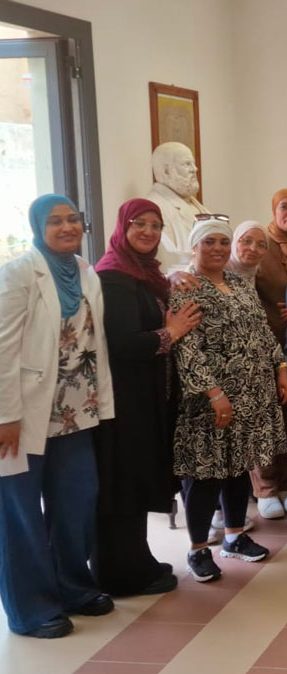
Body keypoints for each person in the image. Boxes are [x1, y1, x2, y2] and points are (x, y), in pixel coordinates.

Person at [0, 194, 115, 638]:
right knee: (21, 514)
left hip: (74, 413)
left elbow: (93, 342)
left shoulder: (86, 273)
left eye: (73, 219)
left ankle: (73, 587)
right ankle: (31, 609)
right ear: (37, 228)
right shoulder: (17, 275)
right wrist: (6, 415)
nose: (67, 227)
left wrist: (102, 404)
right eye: (55, 222)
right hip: (23, 417)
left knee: (77, 503)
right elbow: (3, 349)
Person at [171, 216, 287, 582]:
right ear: (195, 246)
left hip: (251, 396)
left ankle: (235, 537)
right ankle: (198, 550)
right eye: (210, 242)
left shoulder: (240, 283)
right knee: (205, 474)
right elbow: (186, 349)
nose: (219, 249)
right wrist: (214, 393)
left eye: (224, 242)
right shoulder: (186, 288)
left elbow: (262, 331)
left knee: (240, 466)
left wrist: (281, 367)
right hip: (210, 402)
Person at [92, 199, 201, 598]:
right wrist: (172, 332)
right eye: (140, 224)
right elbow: (122, 344)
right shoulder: (113, 278)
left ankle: (136, 560)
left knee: (134, 481)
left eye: (156, 226)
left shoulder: (144, 274)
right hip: (123, 400)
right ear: (123, 227)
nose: (149, 232)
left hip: (144, 397)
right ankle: (118, 574)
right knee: (121, 485)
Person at [251, 189, 287, 521]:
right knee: (266, 419)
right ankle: (265, 488)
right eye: (284, 206)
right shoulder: (259, 244)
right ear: (273, 210)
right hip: (265, 346)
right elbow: (245, 287)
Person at [145, 142, 208, 272]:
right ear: (166, 171)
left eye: (193, 163)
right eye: (187, 164)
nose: (195, 169)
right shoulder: (154, 207)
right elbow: (169, 257)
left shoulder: (193, 203)